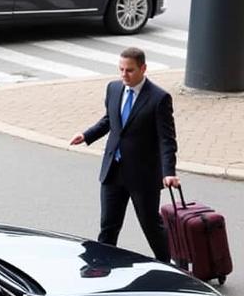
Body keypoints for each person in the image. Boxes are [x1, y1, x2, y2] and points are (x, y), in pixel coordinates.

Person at [70, 47, 179, 262]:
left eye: (129, 70)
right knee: (108, 225)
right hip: (113, 170)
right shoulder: (113, 88)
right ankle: (101, 267)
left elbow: (167, 140)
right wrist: (86, 135)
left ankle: (170, 265)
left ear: (143, 68)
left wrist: (169, 172)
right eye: (120, 69)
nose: (123, 75)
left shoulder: (159, 98)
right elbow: (110, 121)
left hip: (142, 176)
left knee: (151, 226)